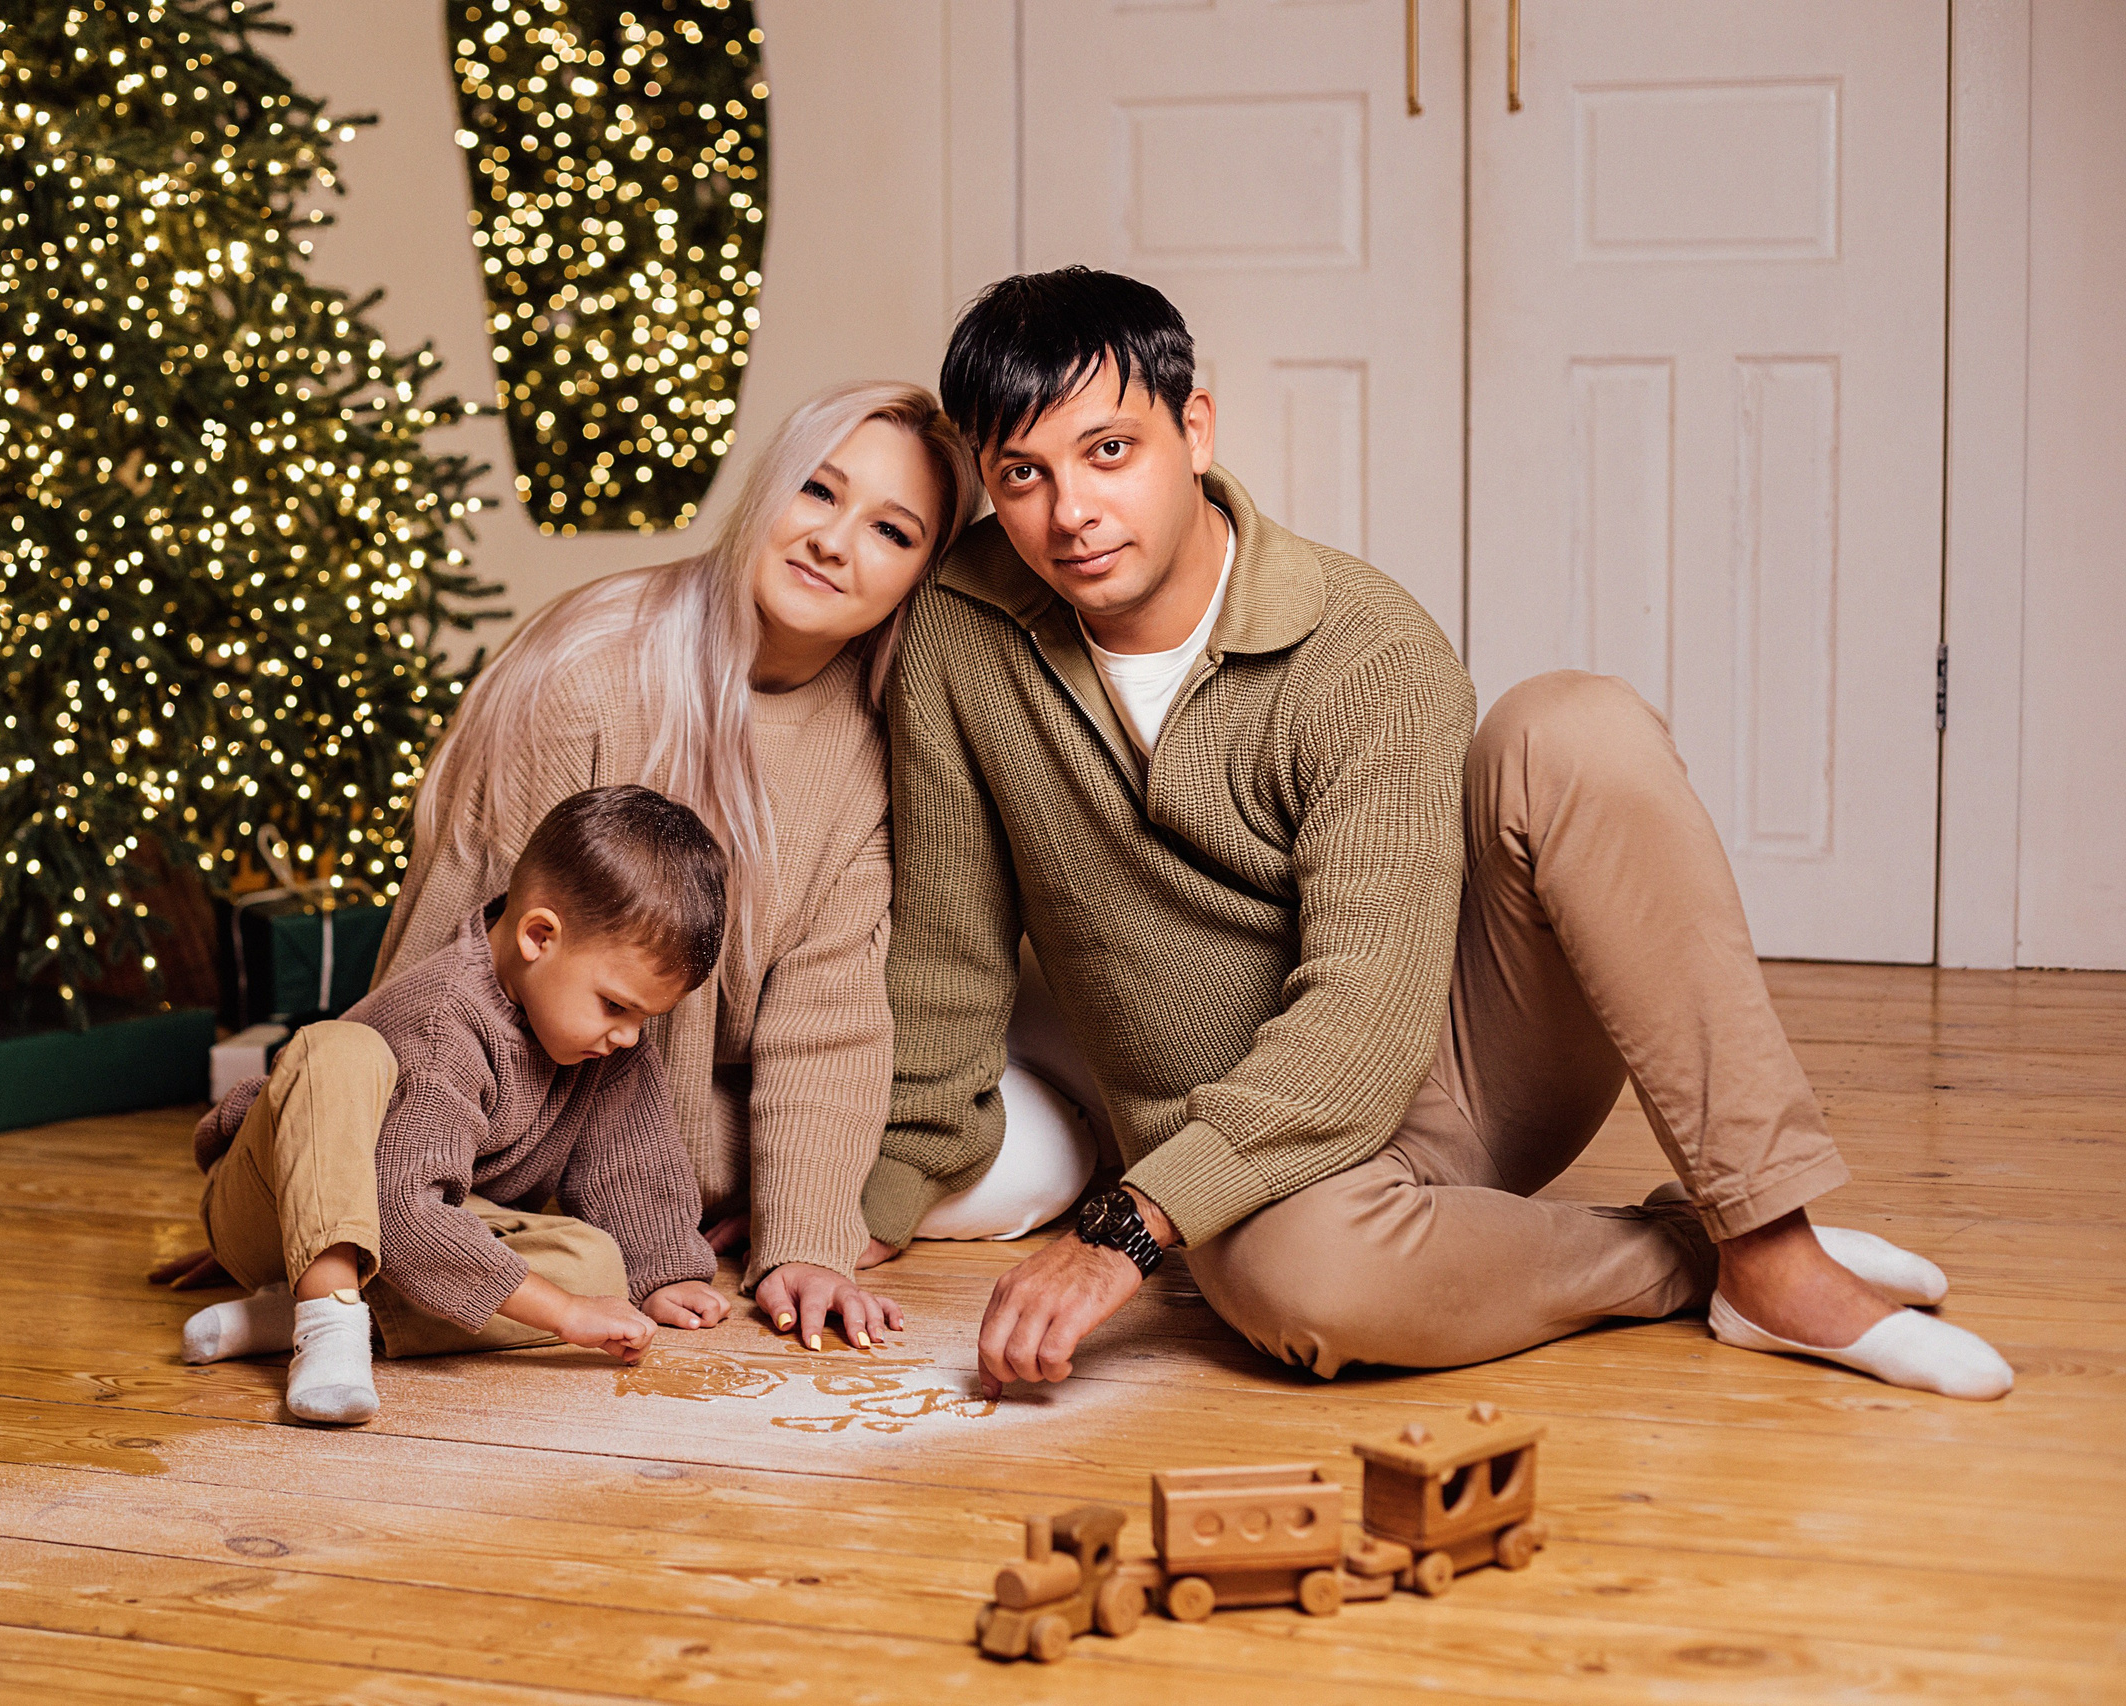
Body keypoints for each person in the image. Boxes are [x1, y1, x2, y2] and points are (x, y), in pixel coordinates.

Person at [869, 267, 2013, 1403]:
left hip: (1451, 1063)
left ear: (1195, 429)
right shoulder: (963, 632)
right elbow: (946, 950)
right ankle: (1695, 1261)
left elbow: (1365, 1022)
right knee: (1301, 1286)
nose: (1070, 513)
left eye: (1109, 450)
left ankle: (1769, 1237)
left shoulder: (1367, 648)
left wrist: (1127, 1226)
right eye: (1023, 473)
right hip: (1243, 1150)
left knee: (1574, 726)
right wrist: (860, 1201)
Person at [363, 380, 985, 1349]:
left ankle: (702, 1196)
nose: (833, 539)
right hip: (505, 1101)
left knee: (996, 1165)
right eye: (817, 491)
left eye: (891, 531)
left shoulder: (872, 741)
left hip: (673, 1121)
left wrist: (806, 1243)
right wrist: (359, 1172)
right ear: (767, 488)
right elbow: (455, 951)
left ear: (921, 576)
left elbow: (829, 1009)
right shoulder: (588, 673)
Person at [179, 785, 732, 1424]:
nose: (629, 1034)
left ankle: (297, 1313)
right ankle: (329, 1323)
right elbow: (399, 1207)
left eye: (646, 1016)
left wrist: (663, 1270)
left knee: (599, 1271)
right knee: (342, 1048)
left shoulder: (603, 1041)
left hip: (410, 1232)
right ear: (538, 936)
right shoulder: (445, 1022)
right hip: (282, 1201)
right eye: (615, 1005)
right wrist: (563, 1316)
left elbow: (632, 1161)